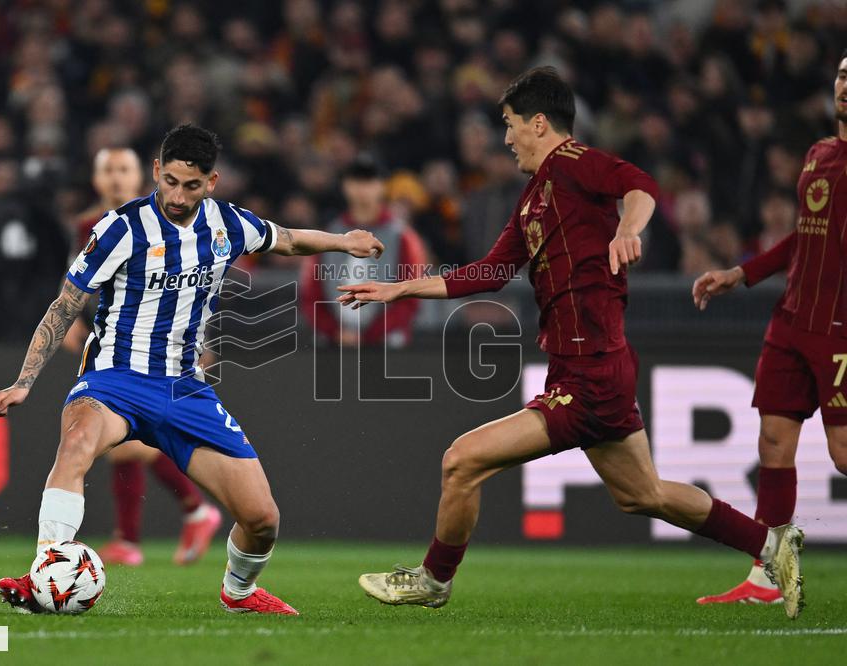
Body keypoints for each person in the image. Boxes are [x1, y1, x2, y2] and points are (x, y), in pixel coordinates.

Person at [338, 67, 805, 620]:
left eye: (510, 125)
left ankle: (434, 580)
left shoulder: (577, 163)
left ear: (539, 122)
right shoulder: (535, 197)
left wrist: (628, 228)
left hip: (588, 371)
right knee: (643, 495)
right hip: (594, 366)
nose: (506, 138)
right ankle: (770, 545)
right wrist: (399, 288)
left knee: (461, 461)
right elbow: (487, 272)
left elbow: (641, 186)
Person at [0, 123, 384, 615]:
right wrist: (24, 381)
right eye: (170, 181)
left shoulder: (226, 225)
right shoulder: (120, 228)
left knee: (262, 518)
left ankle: (238, 594)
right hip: (114, 379)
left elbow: (285, 240)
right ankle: (44, 573)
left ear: (211, 182)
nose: (177, 195)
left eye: (191, 185)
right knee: (76, 444)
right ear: (157, 171)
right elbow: (64, 306)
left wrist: (343, 241)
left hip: (184, 389)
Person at [690, 50, 847, 607]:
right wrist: (742, 272)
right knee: (774, 443)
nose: (846, 86)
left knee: (844, 453)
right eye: (843, 75)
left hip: (839, 330)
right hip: (790, 322)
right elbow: (805, 235)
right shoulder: (820, 153)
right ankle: (769, 579)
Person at [64, 146, 222, 568]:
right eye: (108, 170)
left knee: (128, 442)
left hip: (167, 350)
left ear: (143, 176)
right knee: (123, 443)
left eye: (124, 170)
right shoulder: (87, 226)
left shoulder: (169, 219)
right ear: (97, 179)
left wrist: (201, 343)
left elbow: (197, 277)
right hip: (113, 344)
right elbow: (78, 283)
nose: (116, 178)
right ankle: (159, 526)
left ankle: (174, 519)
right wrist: (73, 324)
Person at [299, 154, 427, 347]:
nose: (362, 188)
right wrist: (335, 331)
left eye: (369, 180)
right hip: (334, 343)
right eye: (356, 180)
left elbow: (411, 298)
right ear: (345, 185)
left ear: (382, 185)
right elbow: (310, 295)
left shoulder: (403, 237)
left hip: (386, 344)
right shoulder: (327, 235)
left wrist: (370, 336)